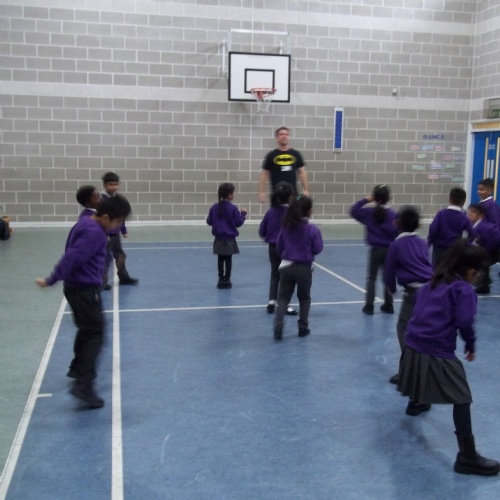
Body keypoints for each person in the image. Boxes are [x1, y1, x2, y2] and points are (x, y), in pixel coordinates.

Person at [397, 239, 499, 476]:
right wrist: (470, 344)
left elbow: (417, 311)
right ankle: (467, 456)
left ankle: (417, 401)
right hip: (436, 351)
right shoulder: (463, 290)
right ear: (471, 272)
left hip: (411, 347)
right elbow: (464, 321)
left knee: (422, 370)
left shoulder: (431, 282)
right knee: (462, 397)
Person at [35, 195, 132, 408]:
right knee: (95, 333)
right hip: (84, 289)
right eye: (118, 222)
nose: (118, 227)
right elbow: (72, 256)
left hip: (76, 287)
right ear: (105, 217)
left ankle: (77, 368)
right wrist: (52, 278)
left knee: (87, 330)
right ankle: (84, 385)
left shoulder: (85, 223)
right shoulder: (94, 232)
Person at [384, 206, 433, 384]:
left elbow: (389, 270)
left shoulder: (396, 244)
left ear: (397, 223)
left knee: (403, 328)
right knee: (424, 329)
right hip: (431, 289)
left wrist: (391, 288)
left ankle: (408, 370)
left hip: (414, 292)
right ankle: (426, 368)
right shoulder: (421, 241)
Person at [273, 195, 323, 340]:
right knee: (304, 298)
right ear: (309, 210)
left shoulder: (286, 227)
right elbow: (318, 248)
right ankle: (303, 328)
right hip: (304, 268)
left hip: (287, 267)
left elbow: (279, 246)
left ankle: (278, 327)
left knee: (283, 298)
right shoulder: (313, 229)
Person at [350, 184, 398, 315]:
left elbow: (353, 211)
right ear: (389, 198)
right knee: (388, 277)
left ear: (374, 198)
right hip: (389, 250)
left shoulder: (369, 213)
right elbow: (397, 232)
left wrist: (365, 200)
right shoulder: (393, 215)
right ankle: (388, 305)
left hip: (375, 250)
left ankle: (369, 306)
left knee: (372, 278)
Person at [258, 181, 298, 316]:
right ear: (291, 196)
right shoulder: (292, 212)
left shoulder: (271, 211)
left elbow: (262, 231)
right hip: (287, 248)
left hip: (272, 247)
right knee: (287, 277)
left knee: (275, 274)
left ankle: (271, 302)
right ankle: (285, 304)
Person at [101, 172, 138, 288]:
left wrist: (123, 230)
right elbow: (101, 219)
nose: (113, 187)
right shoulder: (101, 200)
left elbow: (121, 216)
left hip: (115, 234)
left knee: (120, 255)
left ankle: (123, 277)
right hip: (105, 235)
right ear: (105, 185)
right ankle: (102, 281)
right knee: (105, 258)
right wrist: (104, 233)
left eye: (115, 184)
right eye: (110, 184)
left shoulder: (117, 199)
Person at [206, 183, 247, 289]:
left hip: (218, 238)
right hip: (230, 239)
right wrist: (243, 214)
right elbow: (238, 223)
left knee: (220, 259)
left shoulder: (214, 207)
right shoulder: (233, 208)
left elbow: (209, 221)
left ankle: (220, 280)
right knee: (228, 259)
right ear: (229, 194)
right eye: (233, 193)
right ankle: (227, 280)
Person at [259, 127, 309, 203]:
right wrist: (261, 192)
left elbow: (302, 172)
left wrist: (305, 189)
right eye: (281, 134)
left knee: (293, 210)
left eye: (286, 134)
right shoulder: (271, 155)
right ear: (276, 138)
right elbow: (264, 174)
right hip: (277, 194)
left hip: (292, 194)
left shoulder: (295, 154)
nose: (284, 136)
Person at [427, 187, 473, 268]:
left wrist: (430, 242)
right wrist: (466, 243)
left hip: (439, 249)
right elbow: (472, 233)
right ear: (464, 202)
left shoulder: (441, 214)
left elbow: (433, 229)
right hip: (455, 249)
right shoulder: (464, 217)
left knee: (437, 269)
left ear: (449, 199)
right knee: (452, 269)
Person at [466, 203, 500, 294]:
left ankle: (483, 285)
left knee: (482, 260)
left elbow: (489, 244)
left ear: (480, 215)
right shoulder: (478, 225)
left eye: (472, 213)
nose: (469, 215)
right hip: (494, 247)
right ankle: (484, 285)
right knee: (483, 261)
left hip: (496, 247)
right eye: (468, 213)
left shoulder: (483, 227)